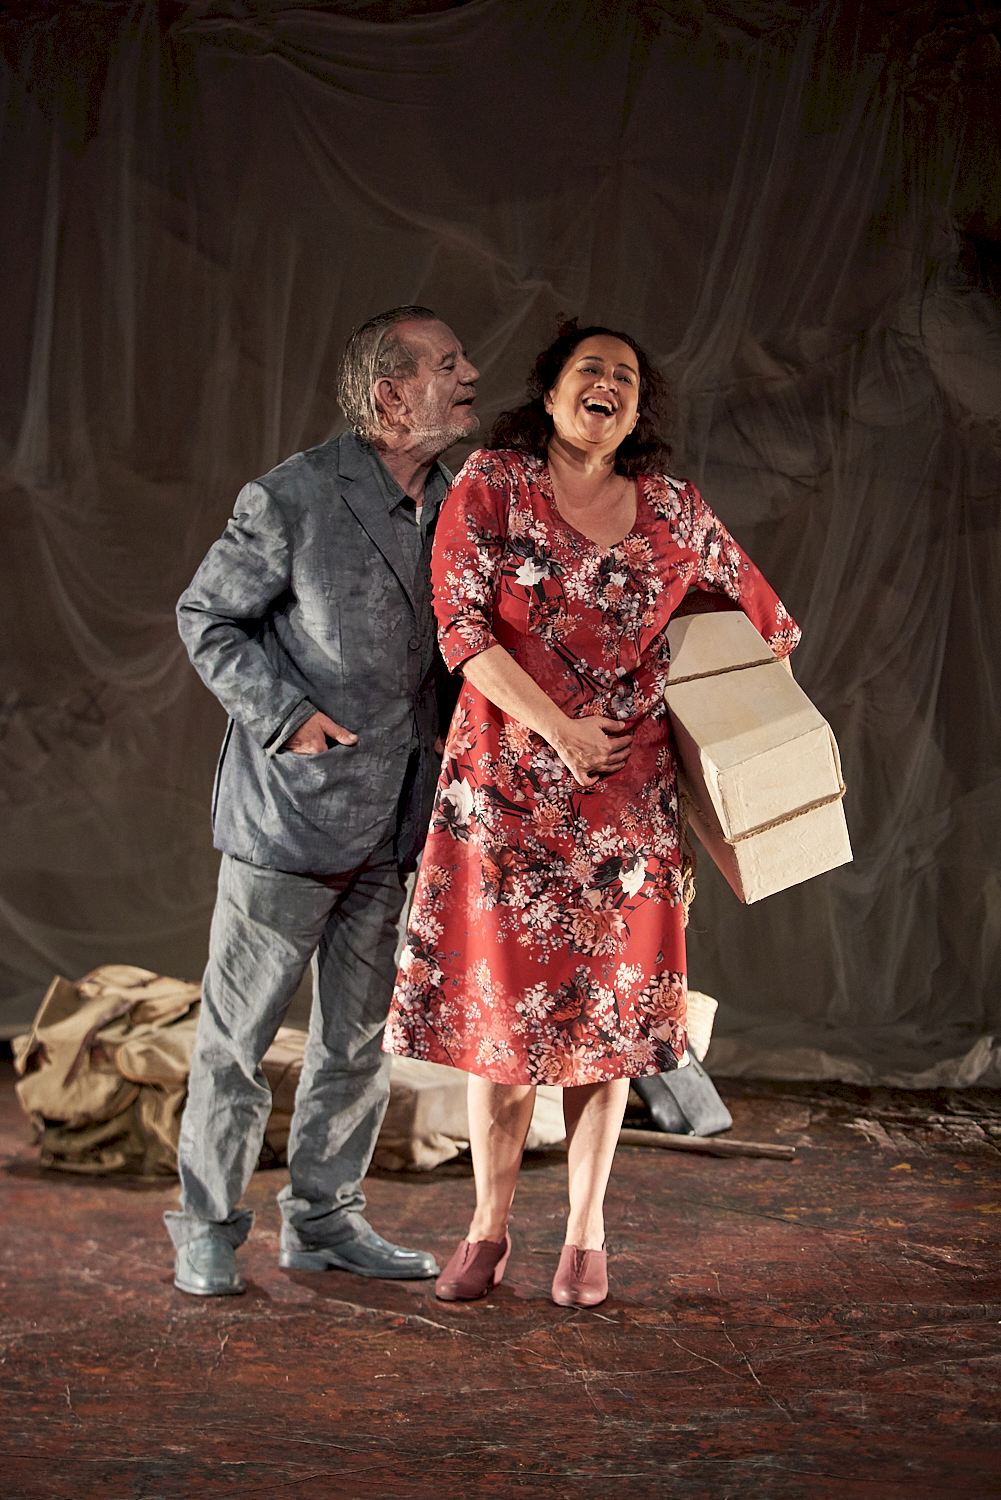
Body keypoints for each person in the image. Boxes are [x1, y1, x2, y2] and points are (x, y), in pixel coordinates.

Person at [384, 320, 800, 1307]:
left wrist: (715, 724)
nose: (606, 383)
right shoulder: (494, 483)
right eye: (589, 369)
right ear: (552, 391)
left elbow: (765, 629)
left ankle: (583, 1236)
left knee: (606, 1027)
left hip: (626, 813)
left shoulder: (673, 509)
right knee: (501, 1026)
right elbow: (460, 630)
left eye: (625, 376)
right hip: (504, 797)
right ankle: (486, 1230)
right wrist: (560, 727)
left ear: (635, 409)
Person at [167, 306, 480, 1296]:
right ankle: (206, 1226)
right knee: (236, 1045)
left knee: (355, 1043)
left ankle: (325, 1220)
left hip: (398, 820)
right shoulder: (291, 497)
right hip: (289, 818)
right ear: (391, 393)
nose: (470, 375)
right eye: (447, 364)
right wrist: (286, 715)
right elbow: (206, 617)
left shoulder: (461, 503)